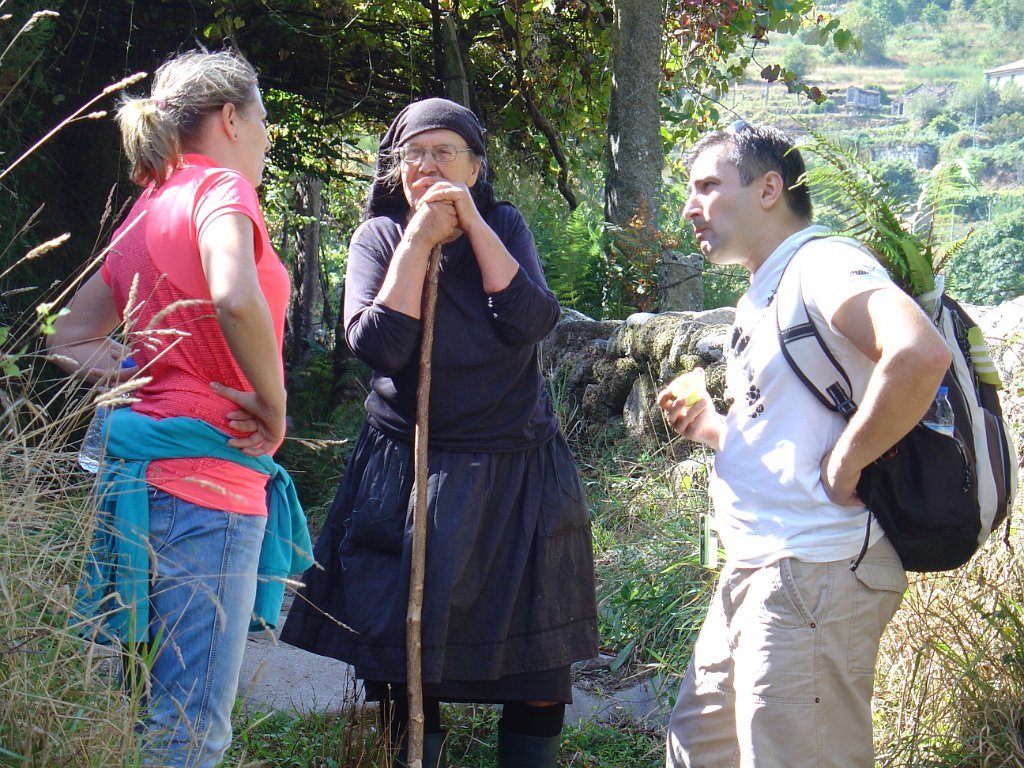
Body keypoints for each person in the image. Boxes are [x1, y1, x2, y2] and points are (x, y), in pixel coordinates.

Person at [280, 97, 598, 768]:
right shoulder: (379, 237)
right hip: (409, 471)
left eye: (443, 153)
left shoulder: (504, 225)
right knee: (406, 666)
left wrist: (472, 225)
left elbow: (529, 320)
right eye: (413, 154)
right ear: (395, 170)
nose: (426, 166)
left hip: (516, 472)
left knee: (538, 669)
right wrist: (419, 241)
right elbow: (380, 346)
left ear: (475, 168)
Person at [657, 122, 951, 767]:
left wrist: (848, 461)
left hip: (814, 567)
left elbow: (919, 353)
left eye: (707, 186)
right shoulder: (761, 293)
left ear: (769, 189)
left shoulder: (822, 264)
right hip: (756, 567)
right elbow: (787, 429)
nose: (690, 208)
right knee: (699, 748)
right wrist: (713, 427)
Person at [47, 49, 311, 768]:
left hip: (137, 482)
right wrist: (272, 404)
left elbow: (69, 337)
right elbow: (233, 295)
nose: (266, 138)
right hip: (208, 487)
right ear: (230, 118)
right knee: (192, 729)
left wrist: (157, 375)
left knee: (154, 717)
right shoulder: (222, 188)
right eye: (262, 119)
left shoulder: (148, 204)